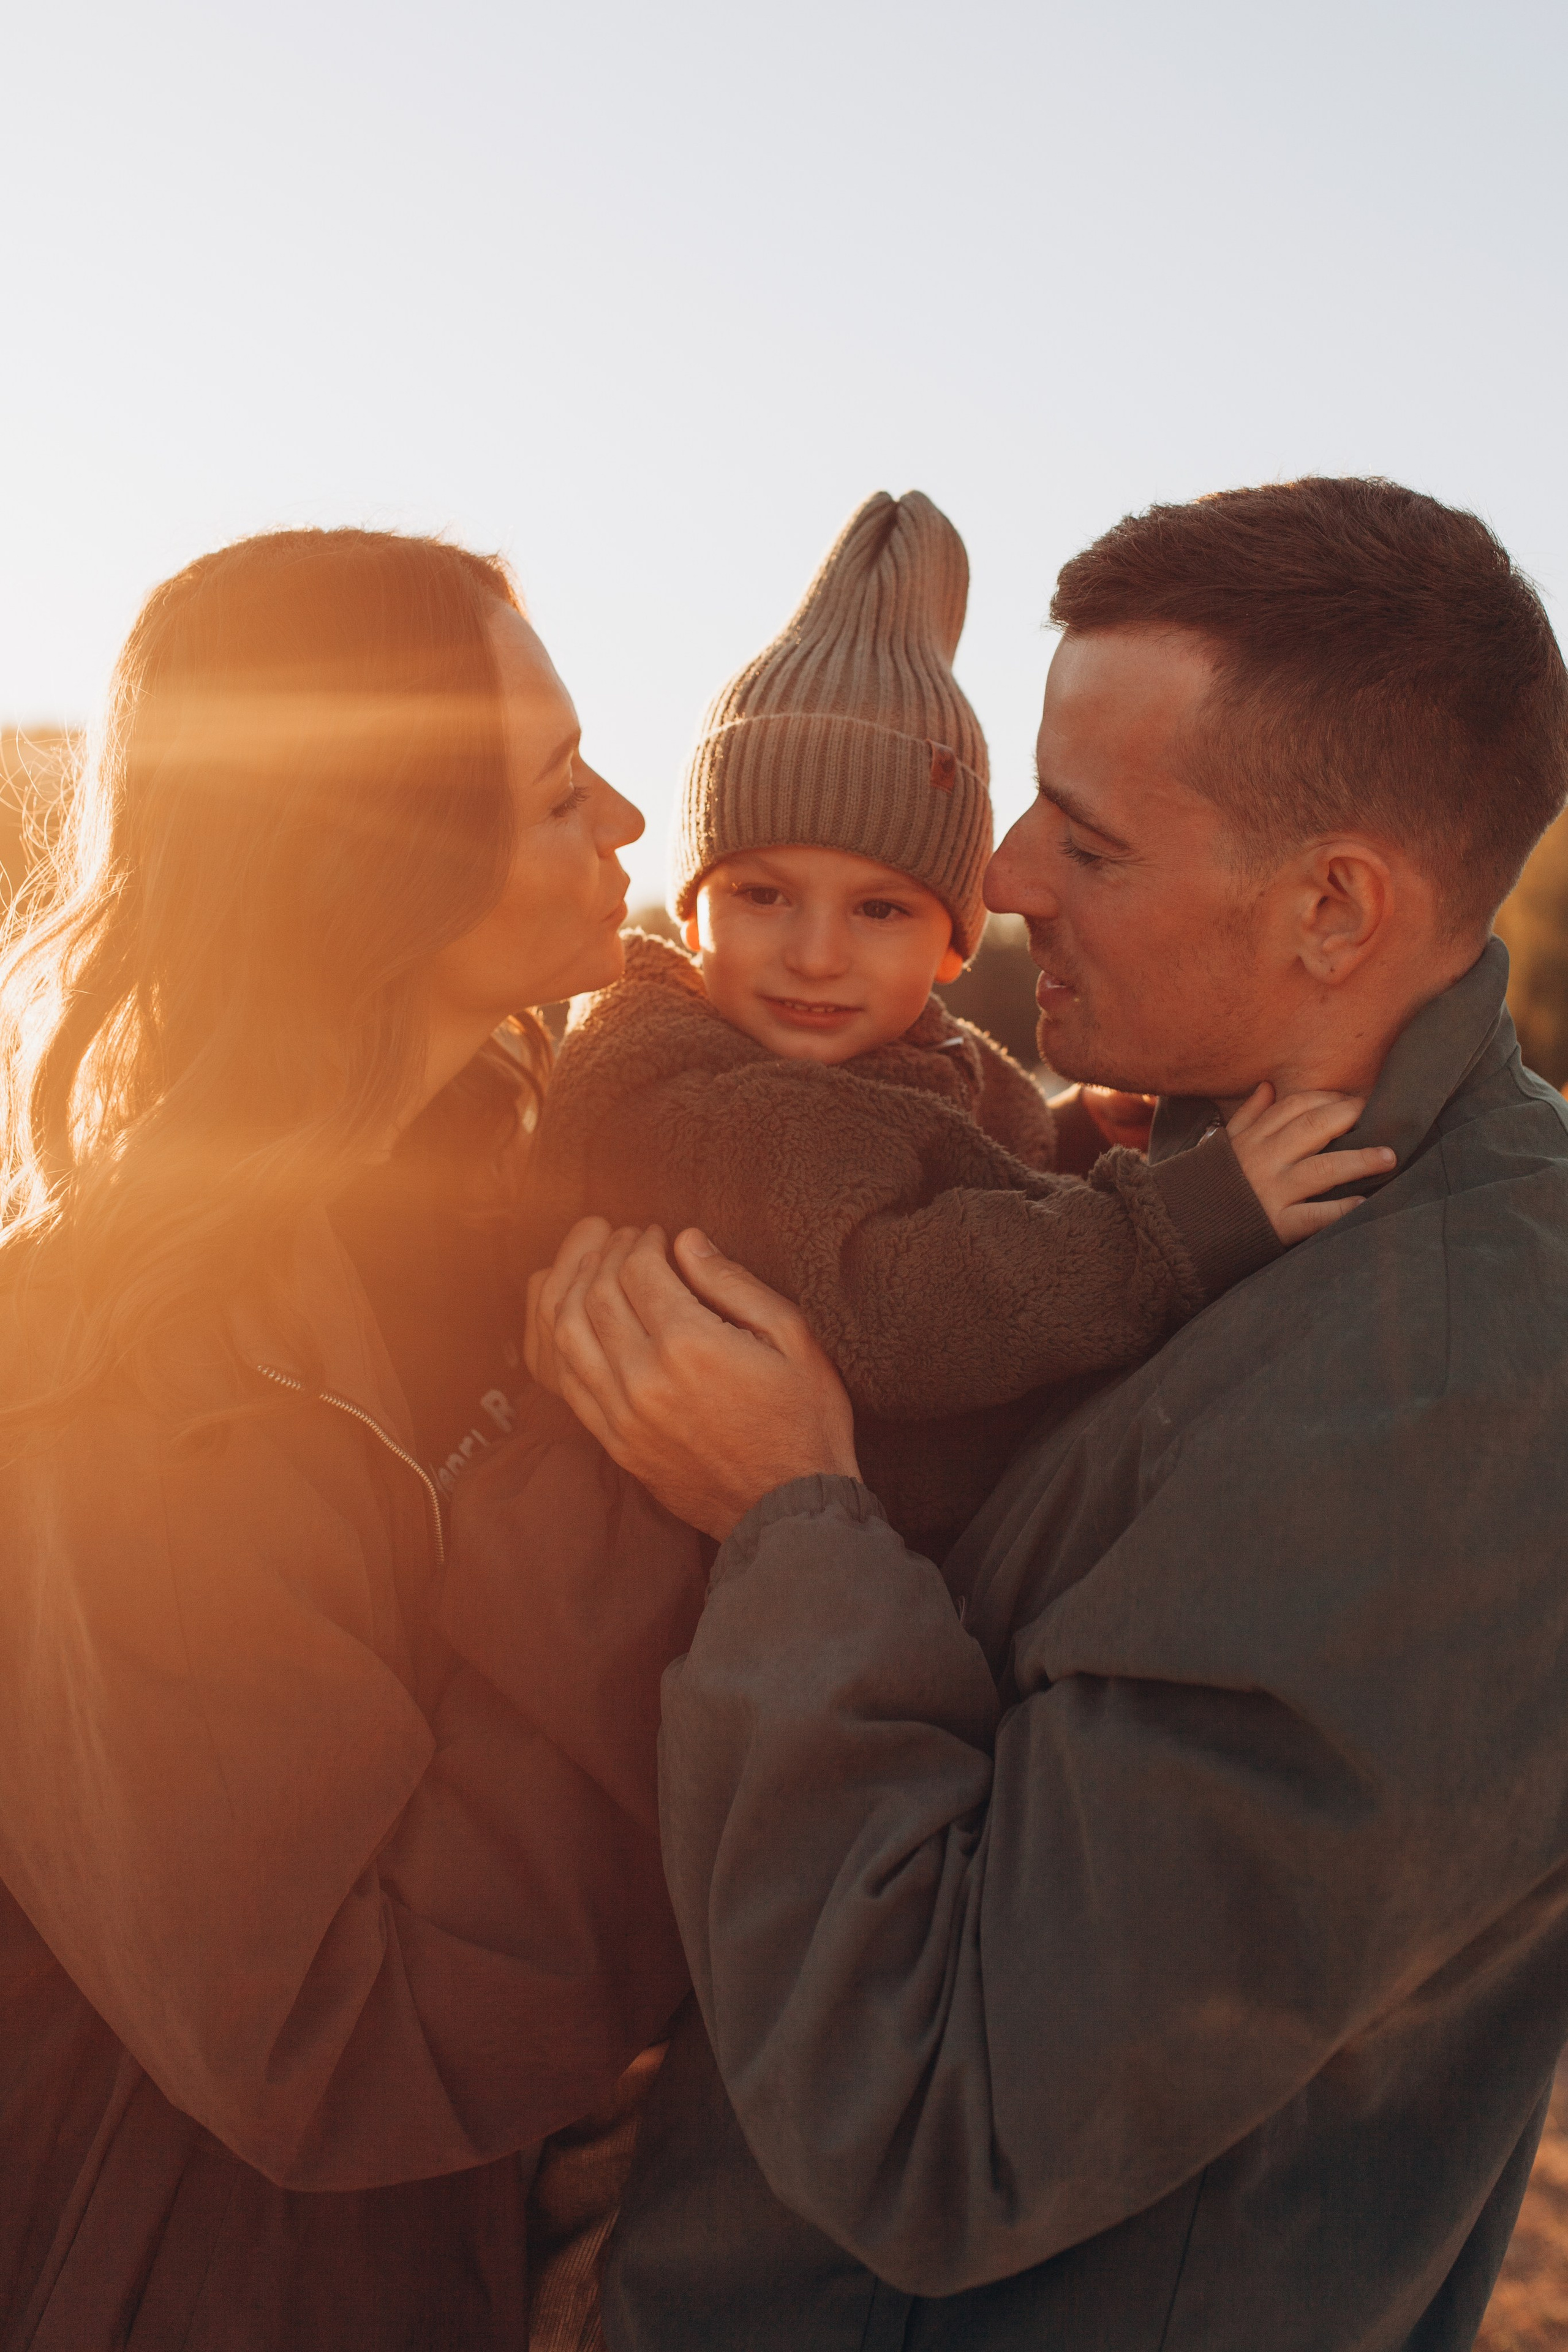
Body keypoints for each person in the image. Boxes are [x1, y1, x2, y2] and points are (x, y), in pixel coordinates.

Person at [532, 478, 1568, 2350]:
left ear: (1336, 907)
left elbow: (956, 2113)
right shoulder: (1214, 1187)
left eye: (1083, 844)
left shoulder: (1457, 1391)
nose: (996, 878)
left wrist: (789, 1520)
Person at [0, 529, 703, 2350]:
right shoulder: (123, 1364)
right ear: (377, 864)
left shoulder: (509, 1193)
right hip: (207, 2281)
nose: (629, 817)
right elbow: (337, 2031)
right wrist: (637, 1476)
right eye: (557, 795)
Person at [527, 490, 1387, 1554]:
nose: (816, 952)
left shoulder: (914, 1060)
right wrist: (1173, 1224)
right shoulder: (693, 1110)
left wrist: (1074, 1131)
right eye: (762, 895)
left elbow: (958, 1168)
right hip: (684, 1613)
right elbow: (902, 1299)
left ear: (953, 944)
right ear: (693, 907)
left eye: (880, 909)